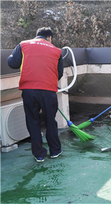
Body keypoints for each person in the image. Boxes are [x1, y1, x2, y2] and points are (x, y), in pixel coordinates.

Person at [7, 27, 64, 163]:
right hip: (48, 91)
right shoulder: (56, 50)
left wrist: (11, 56)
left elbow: (13, 63)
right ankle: (55, 151)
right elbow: (59, 73)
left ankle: (39, 155)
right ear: (49, 37)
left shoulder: (23, 45)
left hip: (29, 90)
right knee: (50, 121)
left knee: (33, 121)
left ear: (36, 36)